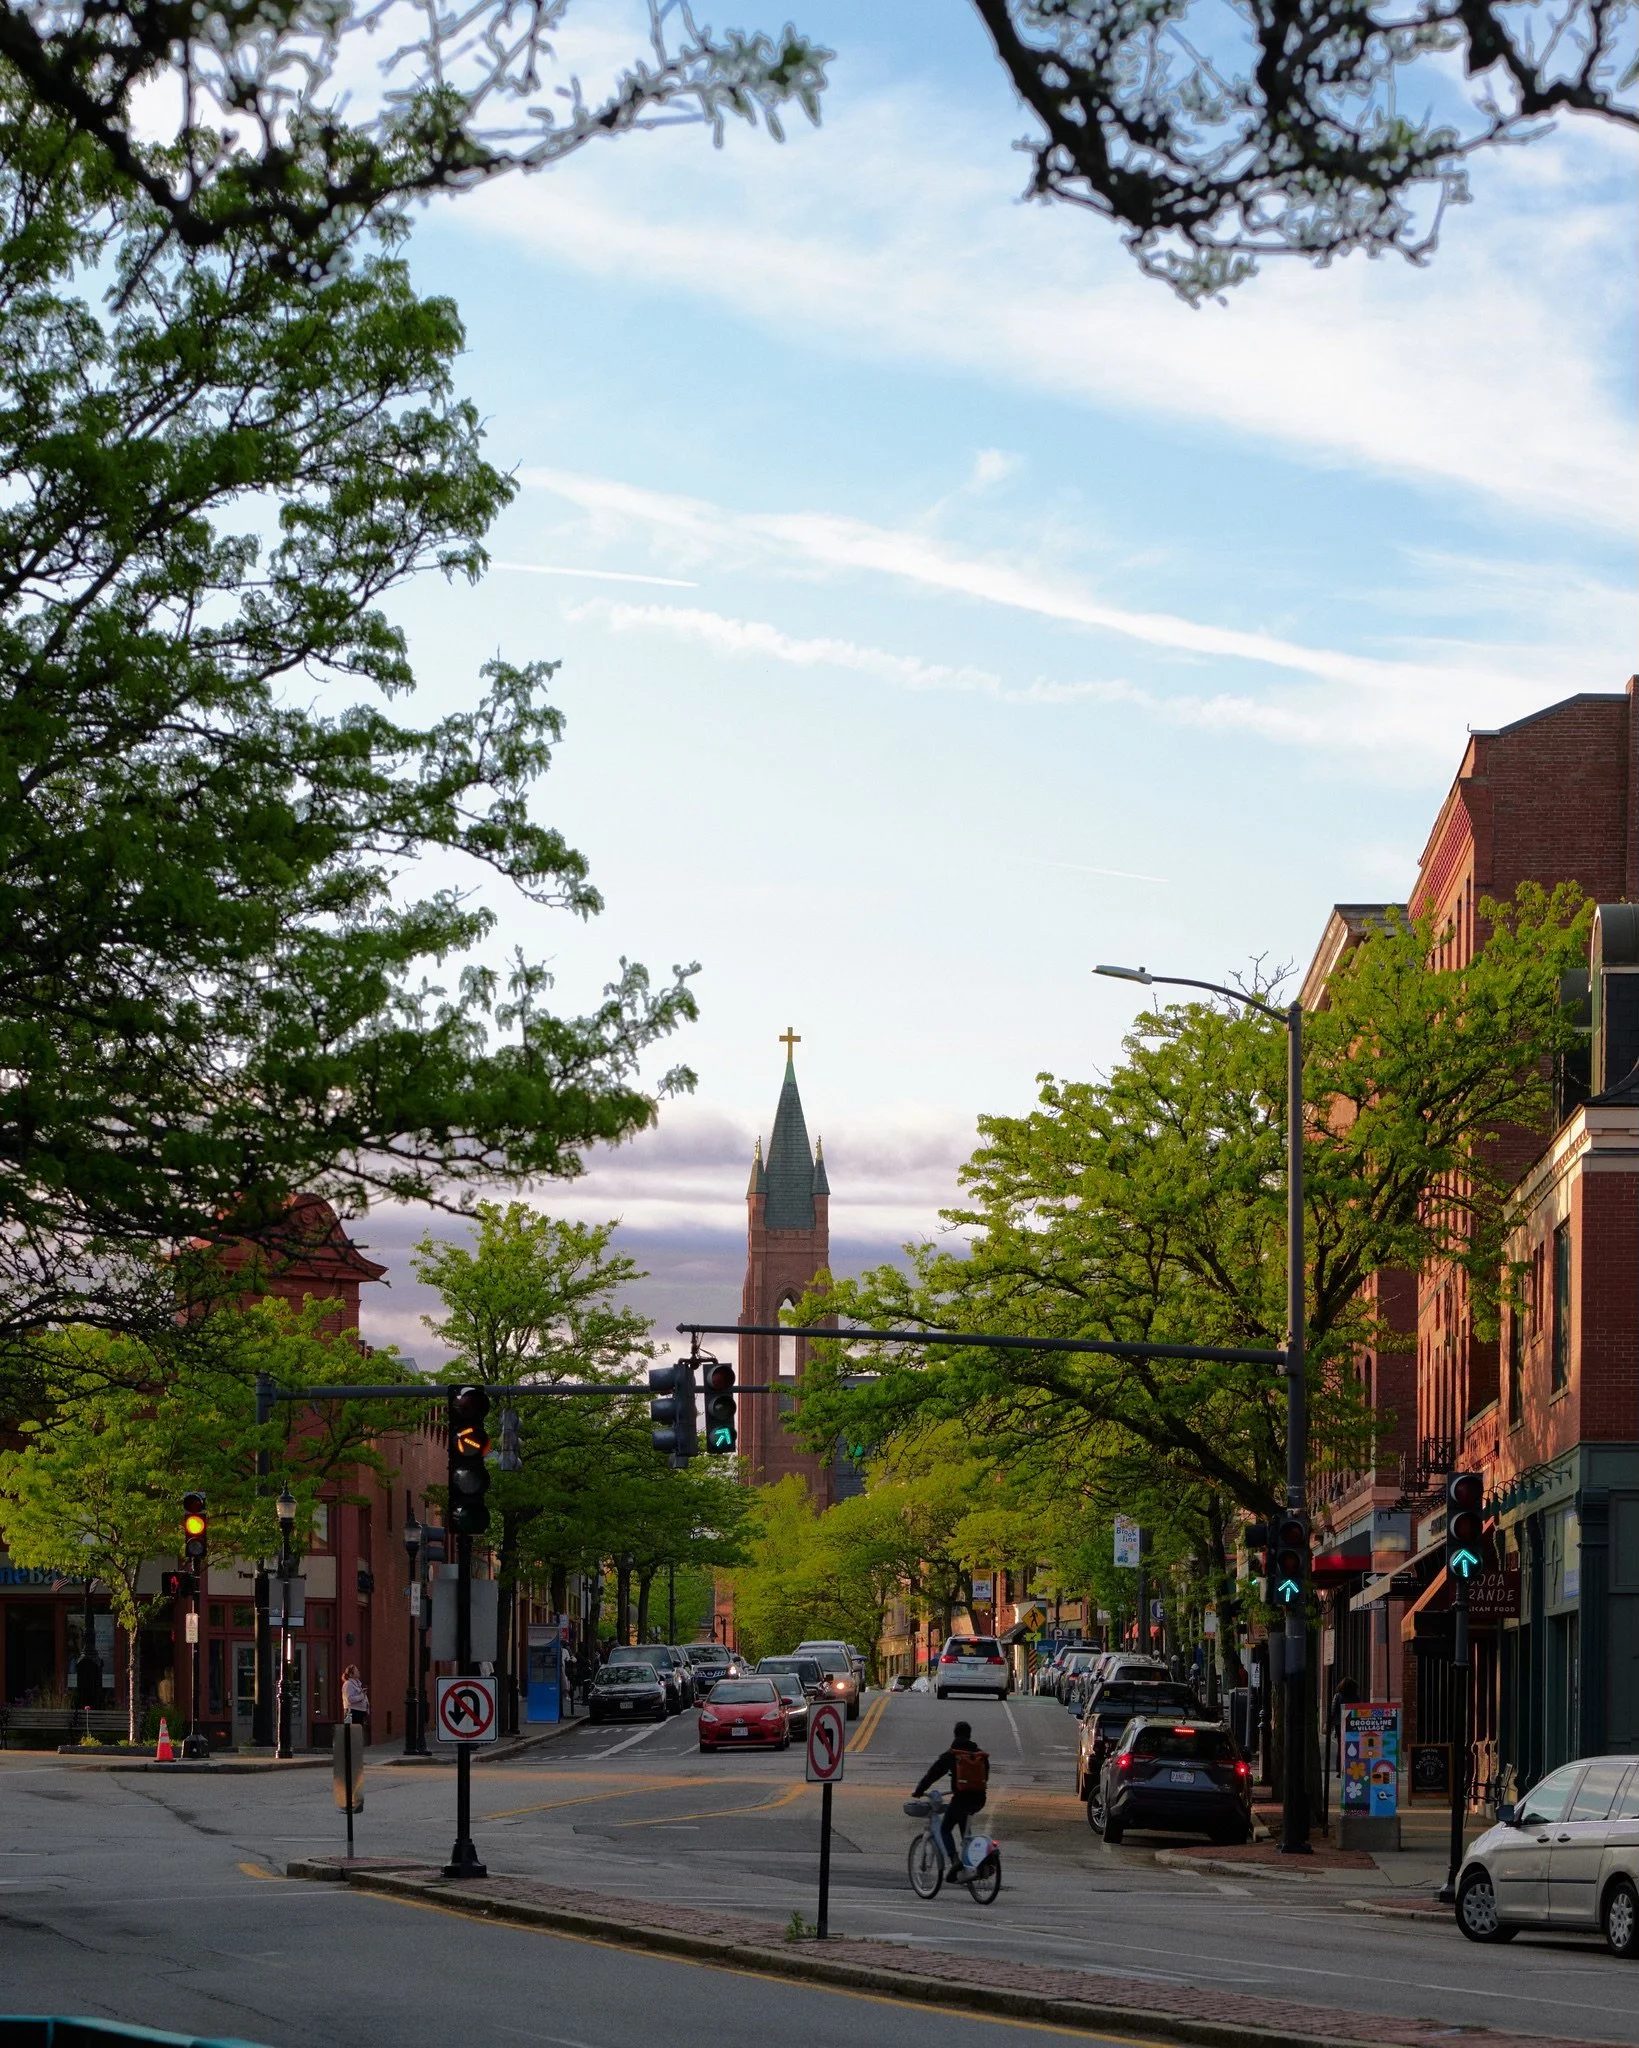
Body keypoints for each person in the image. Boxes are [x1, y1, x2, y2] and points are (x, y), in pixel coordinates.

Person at [913, 1719, 990, 1879]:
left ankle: (955, 1860)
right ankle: (973, 1864)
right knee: (965, 1830)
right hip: (979, 1799)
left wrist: (920, 1790)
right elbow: (985, 1776)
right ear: (969, 1735)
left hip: (961, 1798)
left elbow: (933, 1773)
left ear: (955, 1734)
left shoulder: (953, 1754)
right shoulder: (979, 1754)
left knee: (945, 1829)